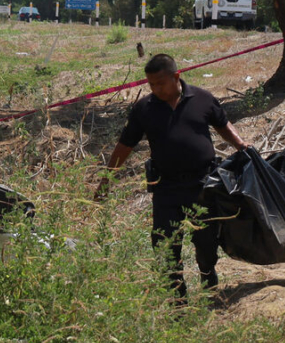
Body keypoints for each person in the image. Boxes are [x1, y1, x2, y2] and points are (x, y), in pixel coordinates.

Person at [107, 53, 250, 298]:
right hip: (166, 187)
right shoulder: (144, 109)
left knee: (205, 241)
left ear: (176, 76)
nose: (155, 89)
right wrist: (106, 179)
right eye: (151, 84)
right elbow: (125, 145)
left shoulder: (203, 99)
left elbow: (223, 126)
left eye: (160, 83)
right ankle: (177, 300)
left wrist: (242, 146)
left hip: (202, 184)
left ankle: (208, 276)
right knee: (165, 244)